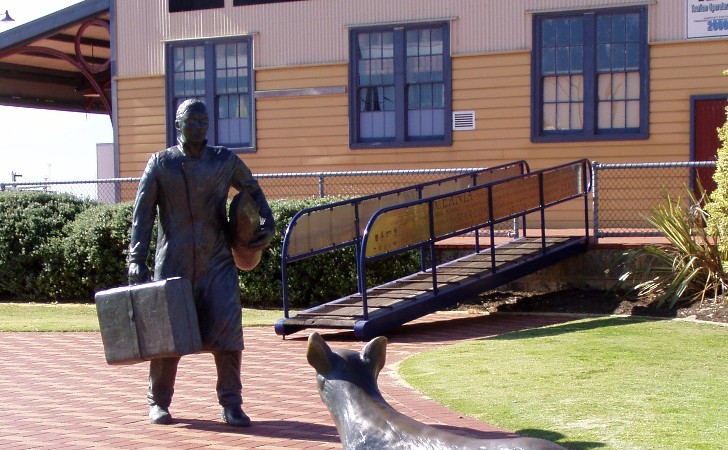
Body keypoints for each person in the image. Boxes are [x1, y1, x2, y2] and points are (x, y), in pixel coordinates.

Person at [127, 99, 275, 427]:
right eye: (190, 121)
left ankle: (231, 403)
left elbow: (254, 192)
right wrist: (136, 258)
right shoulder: (160, 164)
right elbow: (142, 216)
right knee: (169, 336)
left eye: (202, 121)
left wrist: (267, 224)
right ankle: (158, 401)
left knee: (227, 333)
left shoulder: (224, 161)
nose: (197, 126)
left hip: (217, 262)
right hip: (174, 263)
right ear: (177, 125)